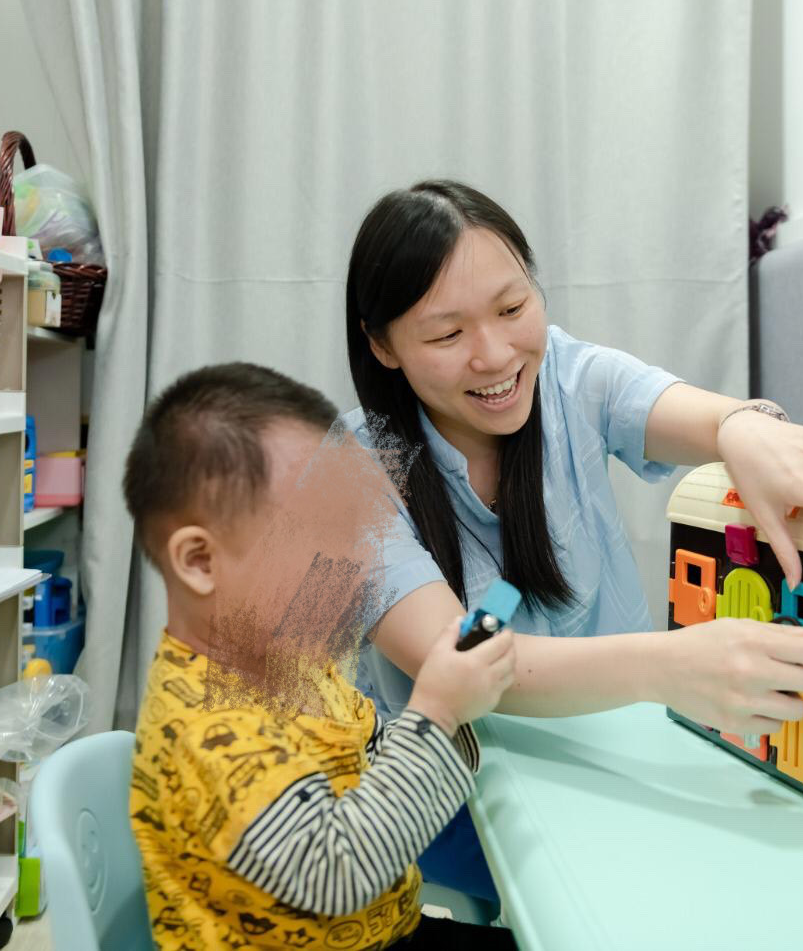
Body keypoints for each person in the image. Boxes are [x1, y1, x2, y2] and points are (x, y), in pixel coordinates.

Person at [342, 180, 803, 902]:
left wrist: (746, 426)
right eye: (448, 335)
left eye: (513, 308)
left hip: (613, 762)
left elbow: (697, 414)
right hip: (451, 798)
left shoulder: (569, 377)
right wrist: (667, 666)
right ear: (382, 344)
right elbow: (459, 663)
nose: (496, 355)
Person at [123, 362, 519, 950]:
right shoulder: (211, 731)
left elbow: (370, 764)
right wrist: (437, 711)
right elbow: (338, 873)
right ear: (201, 562)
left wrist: (450, 707)